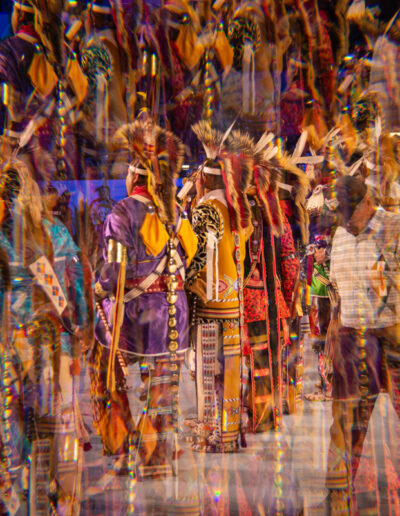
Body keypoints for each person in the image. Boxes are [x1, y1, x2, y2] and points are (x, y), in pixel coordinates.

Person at [90, 118, 197, 478]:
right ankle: (155, 455)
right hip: (172, 314)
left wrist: (99, 288)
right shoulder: (174, 212)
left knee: (106, 372)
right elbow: (189, 256)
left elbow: (114, 272)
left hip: (133, 315)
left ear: (134, 176)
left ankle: (122, 448)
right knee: (162, 387)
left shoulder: (120, 214)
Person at [326, 175, 400, 514]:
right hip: (351, 336)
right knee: (344, 419)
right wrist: (332, 328)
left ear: (367, 202)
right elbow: (335, 288)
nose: (345, 222)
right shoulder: (341, 235)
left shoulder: (393, 227)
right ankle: (338, 490)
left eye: (350, 214)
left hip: (392, 334)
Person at [187, 121, 251, 453]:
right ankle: (229, 433)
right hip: (232, 301)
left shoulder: (206, 209)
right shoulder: (235, 208)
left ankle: (212, 433)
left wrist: (186, 285)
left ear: (205, 179)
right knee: (230, 370)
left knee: (208, 371)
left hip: (209, 303)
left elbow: (197, 255)